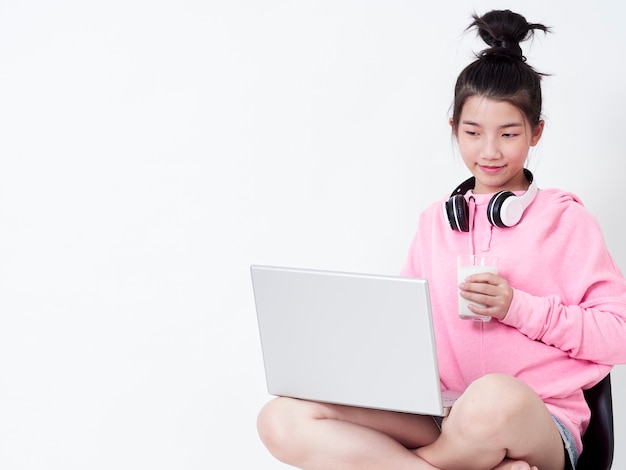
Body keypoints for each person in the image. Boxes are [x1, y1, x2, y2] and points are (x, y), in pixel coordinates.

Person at [256, 10, 626, 470]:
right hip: (441, 413)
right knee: (281, 417)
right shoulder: (434, 223)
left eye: (508, 134)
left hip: (533, 420)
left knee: (492, 396)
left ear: (536, 132)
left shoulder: (566, 221)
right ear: (454, 129)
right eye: (472, 133)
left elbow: (619, 336)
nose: (489, 151)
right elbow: (404, 339)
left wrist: (517, 307)